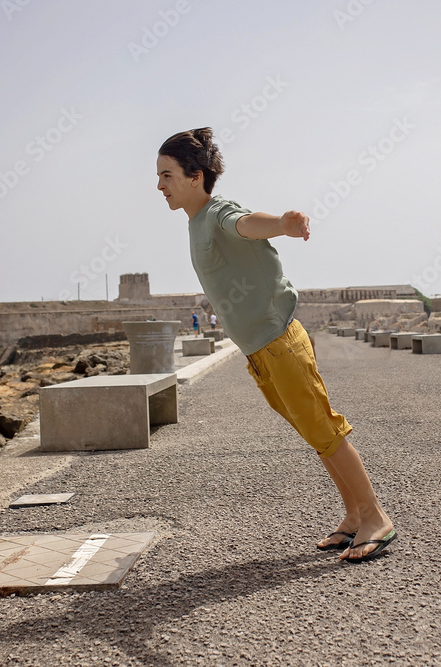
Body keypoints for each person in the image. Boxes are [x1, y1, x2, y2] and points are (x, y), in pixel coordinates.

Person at [156, 128, 396, 562]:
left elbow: (245, 224)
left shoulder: (216, 212)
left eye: (167, 175)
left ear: (196, 176)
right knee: (314, 434)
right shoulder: (194, 223)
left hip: (281, 344)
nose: (159, 185)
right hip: (261, 353)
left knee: (325, 429)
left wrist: (283, 225)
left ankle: (376, 517)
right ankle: (354, 516)